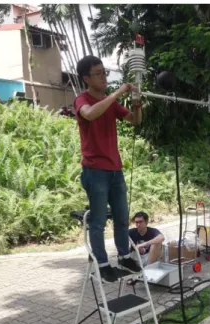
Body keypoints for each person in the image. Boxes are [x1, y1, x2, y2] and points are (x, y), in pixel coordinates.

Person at [73, 55, 143, 283]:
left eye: (105, 72)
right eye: (99, 73)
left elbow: (135, 120)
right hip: (95, 171)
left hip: (115, 169)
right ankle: (103, 263)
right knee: (99, 221)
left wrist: (136, 102)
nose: (104, 77)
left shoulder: (109, 102)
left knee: (122, 217)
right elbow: (90, 113)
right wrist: (117, 93)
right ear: (86, 78)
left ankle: (123, 256)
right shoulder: (82, 99)